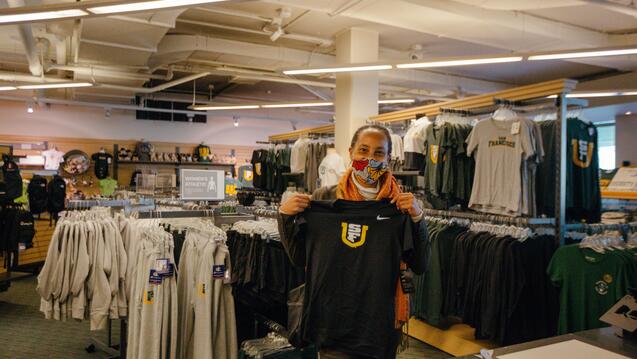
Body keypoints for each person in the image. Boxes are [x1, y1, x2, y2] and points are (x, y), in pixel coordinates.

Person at [278, 124, 428, 359]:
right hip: (333, 320)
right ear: (351, 153)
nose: (370, 159)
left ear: (389, 158)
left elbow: (420, 263)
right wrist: (285, 217)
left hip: (379, 325)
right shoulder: (324, 199)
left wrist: (418, 218)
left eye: (379, 153)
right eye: (363, 151)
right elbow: (299, 258)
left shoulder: (398, 206)